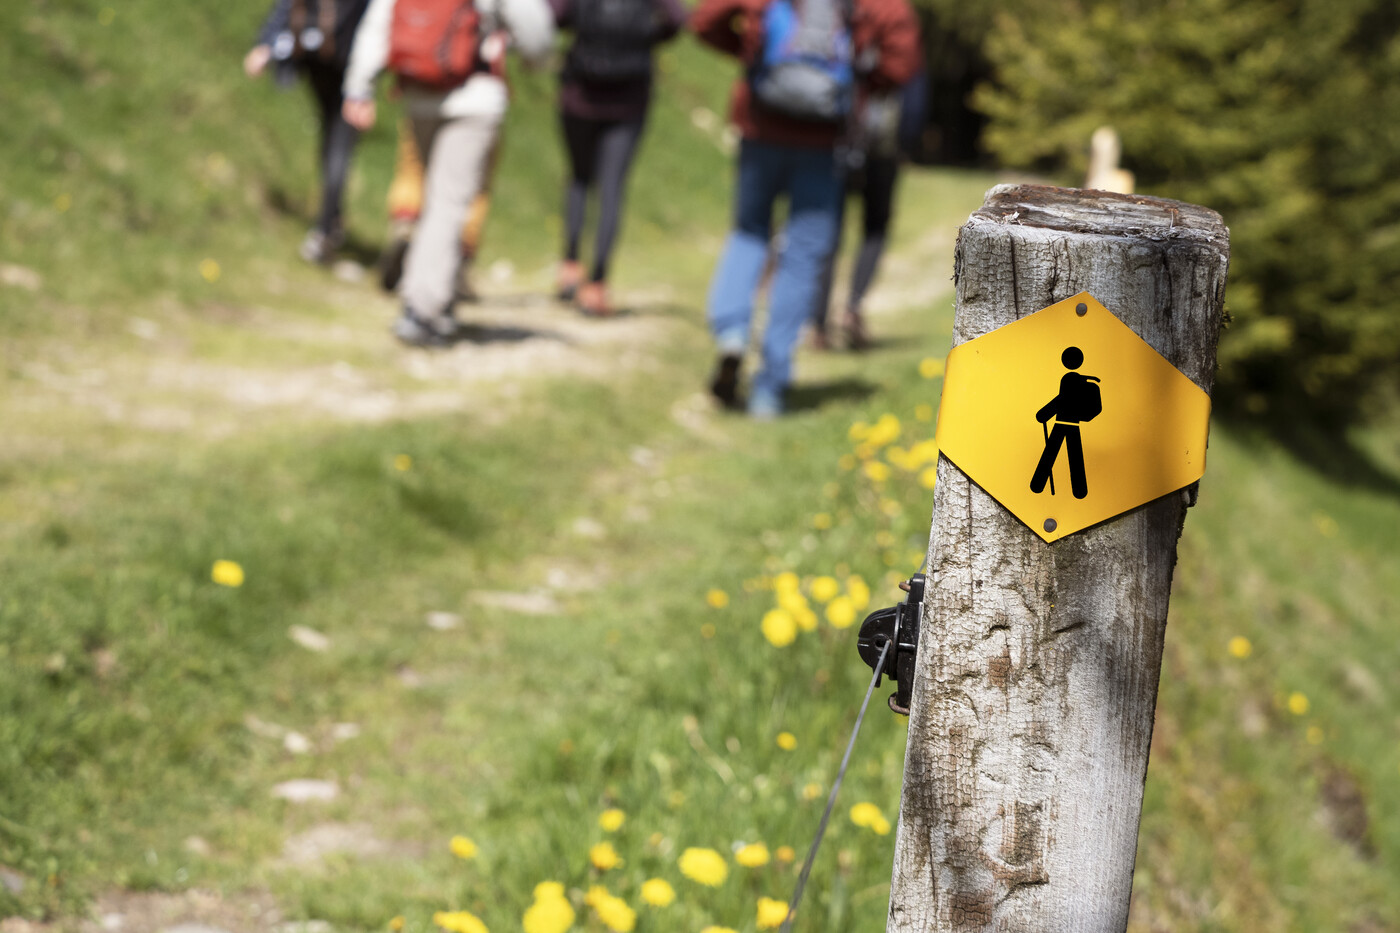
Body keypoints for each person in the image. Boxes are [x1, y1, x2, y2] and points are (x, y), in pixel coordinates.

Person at [691, 0, 921, 417]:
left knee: (748, 232)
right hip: (825, 137)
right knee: (801, 256)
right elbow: (902, 63)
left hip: (761, 126)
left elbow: (705, 20)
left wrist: (752, 56)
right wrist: (859, 83)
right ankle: (770, 388)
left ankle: (732, 335)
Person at [342, 0, 555, 347]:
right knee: (450, 204)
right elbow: (532, 23)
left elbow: (379, 20)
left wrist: (359, 87)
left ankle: (421, 280)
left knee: (427, 198)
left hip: (418, 93)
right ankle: (423, 309)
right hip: (475, 98)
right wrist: (540, 59)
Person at [548, 0, 687, 317]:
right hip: (630, 97)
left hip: (580, 92)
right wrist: (648, 38)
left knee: (579, 177)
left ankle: (570, 265)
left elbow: (553, 16)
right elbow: (678, 20)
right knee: (612, 186)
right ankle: (597, 284)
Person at [246, 0, 373, 265]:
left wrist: (266, 43)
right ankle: (326, 229)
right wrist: (366, 87)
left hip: (315, 54)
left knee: (330, 134)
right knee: (340, 139)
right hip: (349, 59)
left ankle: (330, 221)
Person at [810, 67, 925, 351]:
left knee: (828, 231)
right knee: (875, 229)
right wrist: (905, 142)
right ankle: (853, 307)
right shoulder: (899, 28)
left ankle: (817, 325)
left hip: (839, 145)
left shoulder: (848, 23)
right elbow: (915, 95)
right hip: (883, 151)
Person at [379, 116, 503, 301]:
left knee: (413, 167)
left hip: (422, 102)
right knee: (472, 185)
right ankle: (460, 253)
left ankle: (407, 223)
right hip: (477, 108)